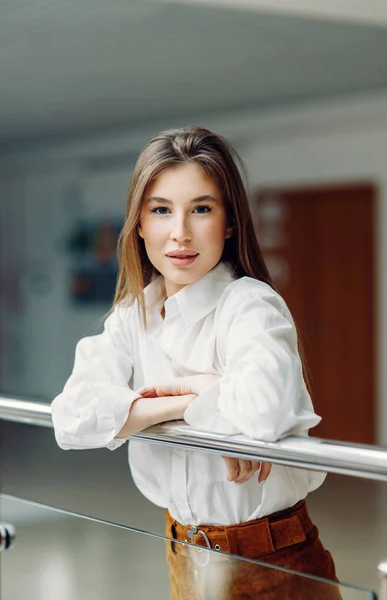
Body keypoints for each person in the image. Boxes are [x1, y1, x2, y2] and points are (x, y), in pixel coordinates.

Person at [51, 126, 341, 599]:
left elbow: (264, 411)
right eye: (161, 210)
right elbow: (71, 418)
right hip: (184, 552)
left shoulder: (249, 305)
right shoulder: (133, 315)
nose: (180, 232)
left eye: (201, 209)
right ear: (139, 223)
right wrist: (193, 397)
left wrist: (149, 406)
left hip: (273, 559)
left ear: (229, 223)